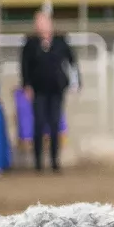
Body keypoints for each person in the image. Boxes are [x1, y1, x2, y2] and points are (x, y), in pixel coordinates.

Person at [21, 9, 78, 171]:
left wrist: (75, 82)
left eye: (43, 22)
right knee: (38, 124)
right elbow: (24, 66)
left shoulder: (61, 41)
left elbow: (72, 62)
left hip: (56, 89)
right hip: (38, 90)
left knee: (55, 124)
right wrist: (26, 85)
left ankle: (54, 161)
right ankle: (38, 162)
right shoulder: (30, 44)